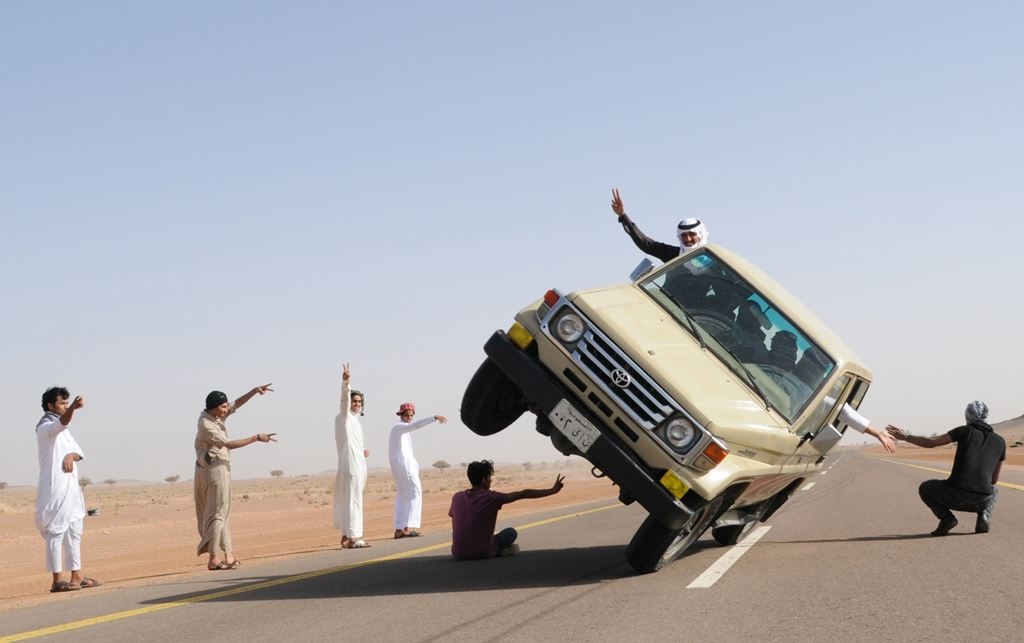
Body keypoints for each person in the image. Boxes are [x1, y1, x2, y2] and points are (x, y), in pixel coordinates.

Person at [887, 401, 1005, 536]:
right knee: (994, 489)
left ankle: (947, 519)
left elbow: (931, 443)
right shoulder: (1000, 441)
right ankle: (984, 516)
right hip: (981, 501)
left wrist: (905, 436)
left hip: (955, 497)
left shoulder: (964, 431)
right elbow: (994, 480)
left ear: (967, 415)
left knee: (926, 487)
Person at [194, 384, 277, 570]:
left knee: (224, 512)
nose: (226, 409)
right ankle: (214, 559)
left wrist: (254, 391)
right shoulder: (206, 424)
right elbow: (228, 444)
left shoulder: (215, 416)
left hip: (221, 468)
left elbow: (236, 404)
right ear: (214, 407)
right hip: (213, 470)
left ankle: (229, 555)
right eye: (223, 407)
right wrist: (256, 438)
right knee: (217, 514)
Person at [35, 386, 101, 592]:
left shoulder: (65, 433)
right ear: (50, 406)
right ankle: (57, 579)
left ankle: (77, 575)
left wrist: (70, 455)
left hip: (72, 489)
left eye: (67, 402)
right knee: (56, 532)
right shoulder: (45, 427)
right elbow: (61, 424)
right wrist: (74, 407)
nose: (65, 406)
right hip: (55, 488)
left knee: (74, 531)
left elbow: (79, 452)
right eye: (62, 403)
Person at [449, 461, 565, 560]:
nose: (491, 481)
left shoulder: (456, 497)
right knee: (511, 532)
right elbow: (523, 494)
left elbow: (458, 519)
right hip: (484, 551)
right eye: (489, 478)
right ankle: (496, 551)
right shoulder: (491, 497)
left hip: (458, 554)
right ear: (484, 480)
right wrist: (552, 490)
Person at [388, 402, 447, 538]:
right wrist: (433, 418)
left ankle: (399, 528)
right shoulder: (399, 427)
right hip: (404, 467)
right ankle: (407, 527)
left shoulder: (403, 430)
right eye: (406, 415)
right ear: (401, 415)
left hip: (403, 467)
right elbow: (415, 426)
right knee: (415, 493)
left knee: (403, 496)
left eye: (411, 416)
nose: (409, 418)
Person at [610, 187, 708, 262]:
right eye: (684, 235)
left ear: (701, 234)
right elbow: (646, 244)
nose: (688, 239)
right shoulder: (674, 255)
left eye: (692, 234)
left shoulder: (712, 261)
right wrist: (623, 216)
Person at [334, 363, 370, 548]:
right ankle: (352, 537)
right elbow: (344, 401)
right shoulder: (344, 416)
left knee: (353, 499)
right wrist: (346, 382)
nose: (356, 404)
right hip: (351, 465)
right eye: (354, 401)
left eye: (359, 402)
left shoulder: (355, 421)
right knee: (353, 500)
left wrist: (362, 451)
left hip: (358, 462)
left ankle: (347, 536)